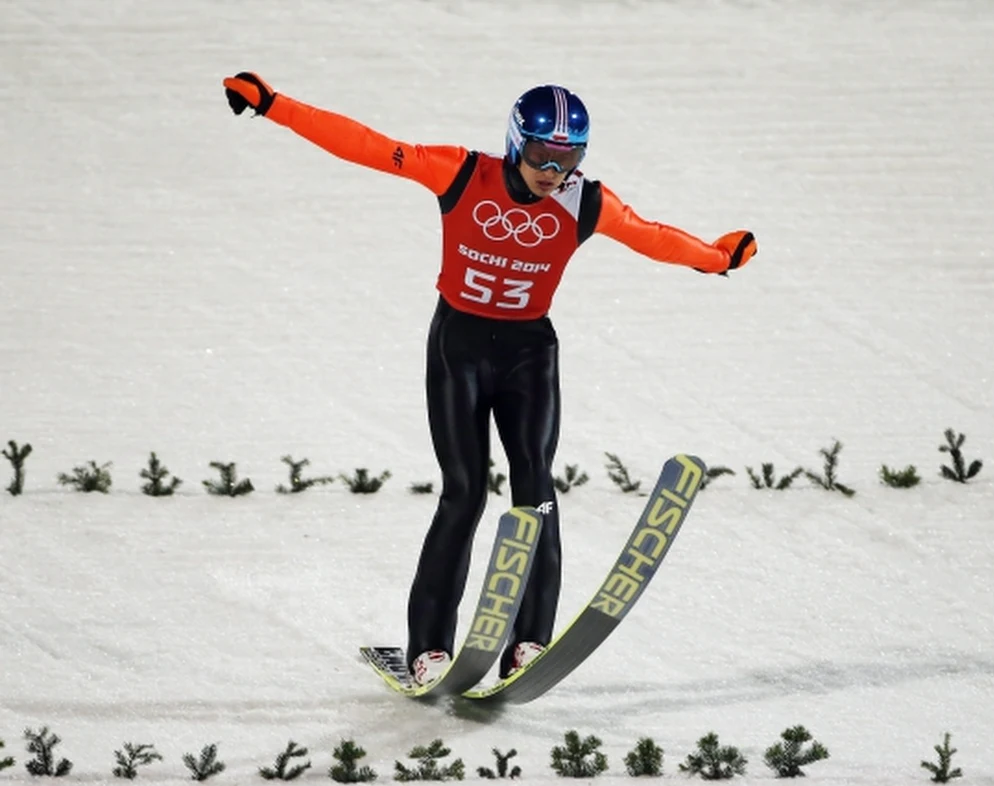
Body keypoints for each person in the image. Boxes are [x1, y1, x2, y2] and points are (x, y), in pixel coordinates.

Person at [222, 72, 757, 686]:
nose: (552, 172)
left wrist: (716, 258)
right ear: (514, 143)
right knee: (465, 491)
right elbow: (366, 145)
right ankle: (428, 649)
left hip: (530, 353)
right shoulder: (460, 173)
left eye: (568, 159)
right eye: (539, 155)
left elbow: (651, 236)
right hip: (461, 347)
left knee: (536, 488)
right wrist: (274, 105)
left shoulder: (585, 202)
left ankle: (530, 642)